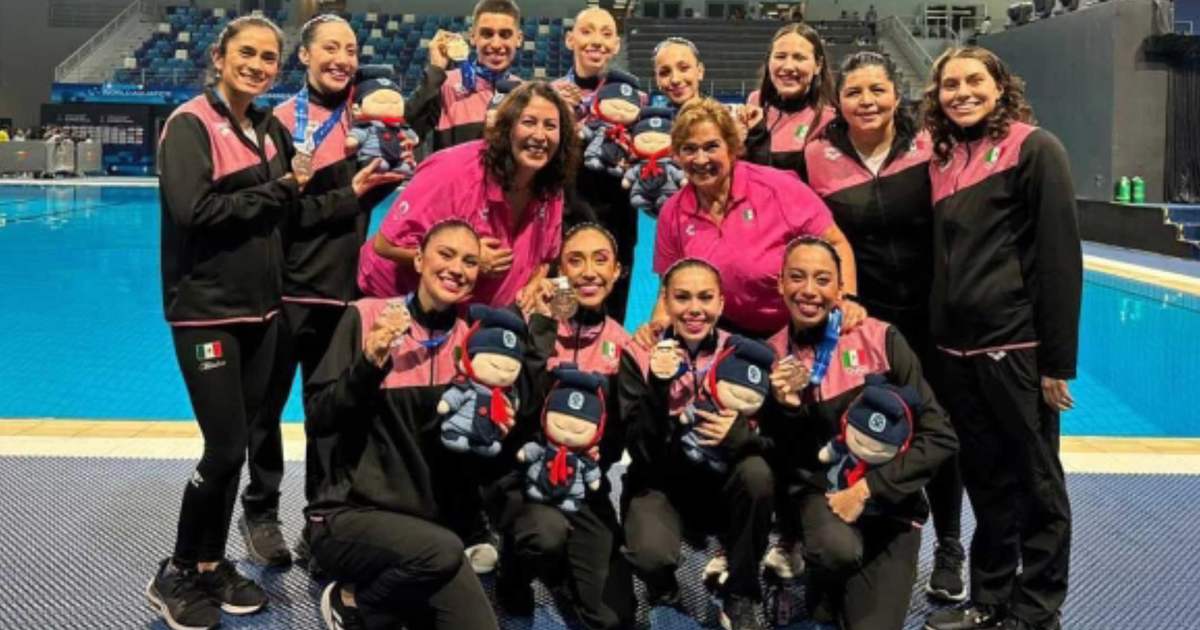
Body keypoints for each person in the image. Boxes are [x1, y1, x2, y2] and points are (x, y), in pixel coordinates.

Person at [920, 47, 1080, 630]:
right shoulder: (942, 160)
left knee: (1037, 485)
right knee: (986, 482)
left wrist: (1057, 361)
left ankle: (1036, 610)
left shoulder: (1034, 149)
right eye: (949, 84)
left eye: (973, 81)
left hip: (1015, 350)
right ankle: (989, 600)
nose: (961, 92)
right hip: (956, 356)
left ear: (999, 86)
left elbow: (1061, 262)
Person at [240, 13, 405, 570]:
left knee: (331, 413)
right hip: (285, 290)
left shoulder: (373, 119)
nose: (342, 58)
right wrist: (348, 196)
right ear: (305, 56)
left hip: (345, 295)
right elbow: (277, 213)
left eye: (351, 49)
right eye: (329, 48)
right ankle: (261, 511)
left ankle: (321, 516)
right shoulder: (280, 123)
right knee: (264, 411)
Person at [802, 51, 967, 602]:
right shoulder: (817, 155)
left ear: (897, 95)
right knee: (856, 429)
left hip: (933, 316)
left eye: (877, 90)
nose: (867, 102)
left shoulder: (930, 146)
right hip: (864, 322)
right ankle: (851, 528)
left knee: (935, 429)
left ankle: (949, 546)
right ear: (838, 100)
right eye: (854, 93)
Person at [149, 15, 296, 630]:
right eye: (248, 53)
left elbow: (295, 199)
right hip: (206, 312)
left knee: (237, 448)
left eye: (268, 58)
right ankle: (176, 569)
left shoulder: (266, 126)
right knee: (224, 447)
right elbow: (195, 209)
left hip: (260, 313)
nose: (258, 66)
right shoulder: (191, 124)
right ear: (219, 54)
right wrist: (278, 192)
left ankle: (211, 564)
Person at [304, 221, 503, 630]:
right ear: (419, 259)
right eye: (445, 254)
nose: (456, 269)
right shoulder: (367, 316)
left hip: (428, 534)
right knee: (442, 551)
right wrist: (370, 363)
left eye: (469, 261)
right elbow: (320, 418)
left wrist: (494, 431)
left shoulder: (474, 344)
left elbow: (475, 465)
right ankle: (351, 600)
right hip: (349, 514)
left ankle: (385, 600)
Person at [757, 237, 958, 630]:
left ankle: (841, 586)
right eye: (796, 277)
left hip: (891, 508)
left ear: (841, 287)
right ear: (780, 284)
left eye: (822, 279)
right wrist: (788, 408)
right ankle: (823, 572)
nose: (809, 291)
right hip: (825, 501)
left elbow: (941, 436)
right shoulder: (772, 357)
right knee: (836, 551)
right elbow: (784, 465)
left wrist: (868, 490)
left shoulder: (880, 339)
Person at [490, 222, 640, 629]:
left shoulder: (624, 346)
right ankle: (514, 571)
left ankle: (563, 569)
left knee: (614, 619)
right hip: (521, 480)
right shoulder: (528, 324)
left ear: (617, 272)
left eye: (600, 260)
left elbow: (617, 446)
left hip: (583, 490)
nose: (588, 271)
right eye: (575, 260)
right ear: (559, 271)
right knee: (543, 536)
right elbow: (515, 414)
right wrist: (539, 329)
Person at [619, 258, 775, 630]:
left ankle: (741, 593)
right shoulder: (638, 354)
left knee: (757, 473)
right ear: (666, 303)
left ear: (721, 304)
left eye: (705, 298)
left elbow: (777, 441)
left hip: (721, 486)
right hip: (660, 484)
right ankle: (663, 589)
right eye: (682, 297)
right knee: (649, 555)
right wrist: (658, 387)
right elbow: (639, 452)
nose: (694, 309)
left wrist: (743, 436)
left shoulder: (745, 355)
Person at [642, 98, 861, 342]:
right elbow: (670, 282)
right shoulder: (672, 211)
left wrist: (846, 299)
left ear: (733, 148)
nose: (701, 160)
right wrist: (660, 321)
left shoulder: (779, 188)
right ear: (677, 155)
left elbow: (835, 242)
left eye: (711, 147)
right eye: (689, 149)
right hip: (723, 331)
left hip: (795, 327)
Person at [358, 80, 577, 314]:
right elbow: (386, 245)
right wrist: (467, 259)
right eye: (529, 122)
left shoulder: (551, 187)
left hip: (477, 320)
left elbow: (545, 256)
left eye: (551, 126)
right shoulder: (452, 170)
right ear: (507, 128)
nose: (540, 135)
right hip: (397, 303)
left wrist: (534, 283)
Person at [551, 6, 643, 324]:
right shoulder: (550, 96)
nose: (597, 41)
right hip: (562, 222)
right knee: (560, 316)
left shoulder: (637, 102)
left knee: (611, 318)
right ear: (569, 39)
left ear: (617, 45)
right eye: (587, 31)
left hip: (618, 224)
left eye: (606, 34)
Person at [405, 0, 524, 151]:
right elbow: (406, 134)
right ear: (473, 36)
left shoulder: (525, 93)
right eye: (487, 34)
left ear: (518, 39)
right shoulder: (445, 85)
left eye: (505, 34)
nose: (495, 44)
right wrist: (435, 71)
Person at [743, 23, 836, 183]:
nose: (788, 66)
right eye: (780, 56)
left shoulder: (829, 119)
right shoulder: (754, 103)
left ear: (818, 65)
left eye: (799, 57)